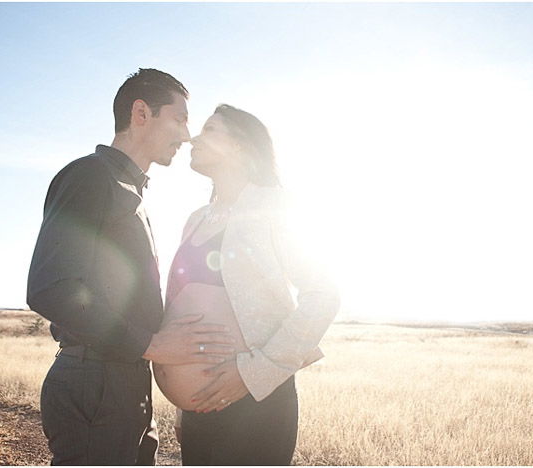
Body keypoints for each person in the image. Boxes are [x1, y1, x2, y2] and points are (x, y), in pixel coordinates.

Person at [27, 69, 237, 465]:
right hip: (95, 383)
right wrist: (151, 345)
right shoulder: (90, 177)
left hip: (124, 383)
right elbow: (50, 287)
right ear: (141, 113)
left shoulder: (130, 191)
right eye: (179, 118)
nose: (187, 134)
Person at [153, 104, 340, 465]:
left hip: (255, 407)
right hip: (199, 413)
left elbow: (323, 294)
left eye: (209, 131)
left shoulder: (275, 206)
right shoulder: (196, 218)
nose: (193, 137)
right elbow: (182, 306)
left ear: (240, 146)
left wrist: (253, 374)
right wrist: (182, 404)